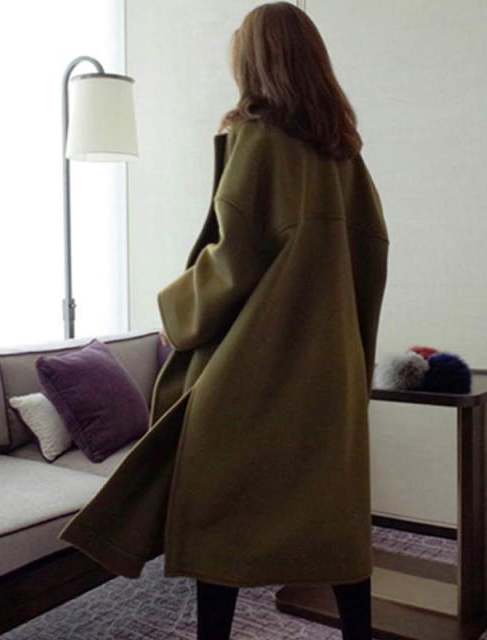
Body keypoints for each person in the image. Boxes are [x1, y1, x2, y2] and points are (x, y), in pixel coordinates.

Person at [157, 3, 389, 639]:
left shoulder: (257, 140)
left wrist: (174, 311)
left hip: (250, 371)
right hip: (328, 373)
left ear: (255, 60)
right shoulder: (345, 155)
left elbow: (232, 259)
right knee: (338, 524)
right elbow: (372, 262)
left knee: (218, 514)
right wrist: (355, 359)